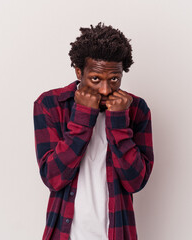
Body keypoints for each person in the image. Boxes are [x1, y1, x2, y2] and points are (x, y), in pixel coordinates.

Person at [33, 22, 154, 240]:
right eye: (96, 79)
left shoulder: (136, 109)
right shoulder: (50, 104)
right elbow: (53, 177)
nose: (106, 89)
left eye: (114, 79)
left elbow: (135, 181)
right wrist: (82, 118)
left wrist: (118, 121)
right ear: (80, 72)